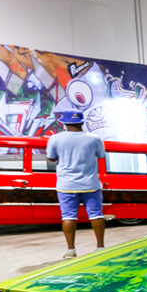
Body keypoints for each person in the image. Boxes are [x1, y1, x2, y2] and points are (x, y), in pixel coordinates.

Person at [46, 109, 107, 260]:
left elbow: (51, 158)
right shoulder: (94, 138)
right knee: (96, 215)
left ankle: (71, 250)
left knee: (68, 217)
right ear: (82, 122)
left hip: (66, 185)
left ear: (64, 123)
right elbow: (101, 155)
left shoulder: (55, 138)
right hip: (91, 184)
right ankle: (100, 247)